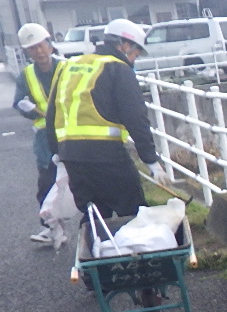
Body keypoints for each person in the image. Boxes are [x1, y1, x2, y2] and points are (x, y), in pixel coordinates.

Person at [45, 17, 167, 221]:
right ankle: (136, 251)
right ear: (125, 45)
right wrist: (151, 160)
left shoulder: (68, 65)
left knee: (94, 214)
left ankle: (96, 250)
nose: (135, 59)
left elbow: (52, 113)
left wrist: (57, 152)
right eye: (136, 52)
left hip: (71, 156)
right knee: (132, 210)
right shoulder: (118, 68)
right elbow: (136, 117)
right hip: (106, 154)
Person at [11, 23, 64, 244]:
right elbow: (19, 102)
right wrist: (30, 108)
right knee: (47, 186)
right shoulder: (27, 75)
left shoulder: (67, 67)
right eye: (32, 48)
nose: (39, 51)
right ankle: (52, 229)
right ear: (27, 52)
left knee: (87, 183)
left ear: (50, 45)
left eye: (41, 46)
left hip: (73, 134)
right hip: (45, 140)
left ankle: (98, 225)